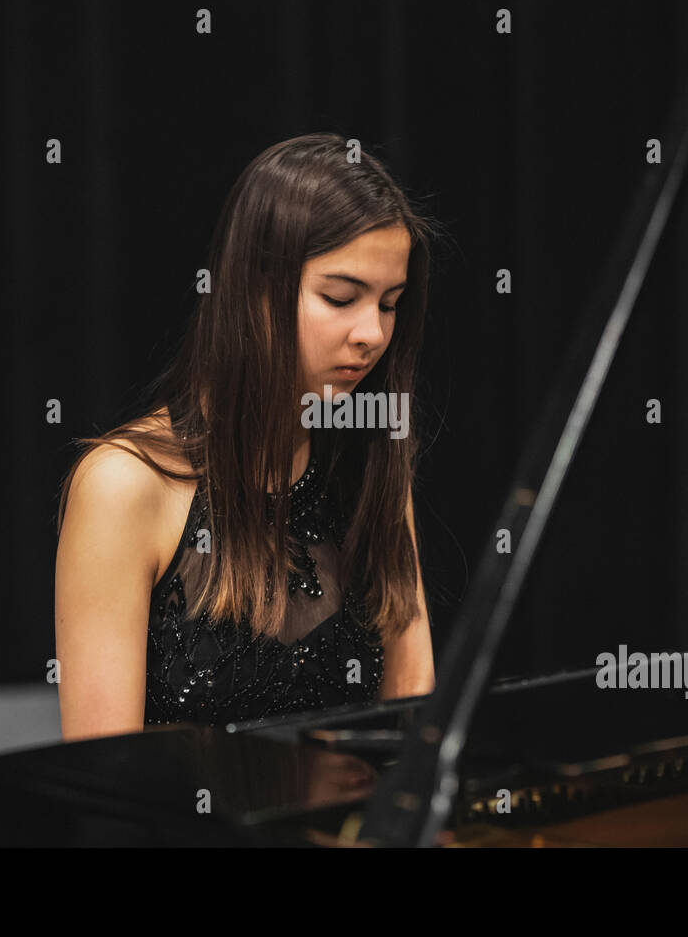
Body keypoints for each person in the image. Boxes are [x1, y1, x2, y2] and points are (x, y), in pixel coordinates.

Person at [53, 133, 440, 740]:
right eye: (340, 298)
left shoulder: (371, 462)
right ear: (252, 290)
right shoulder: (125, 485)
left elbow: (410, 730)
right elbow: (108, 780)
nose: (372, 334)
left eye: (390, 304)